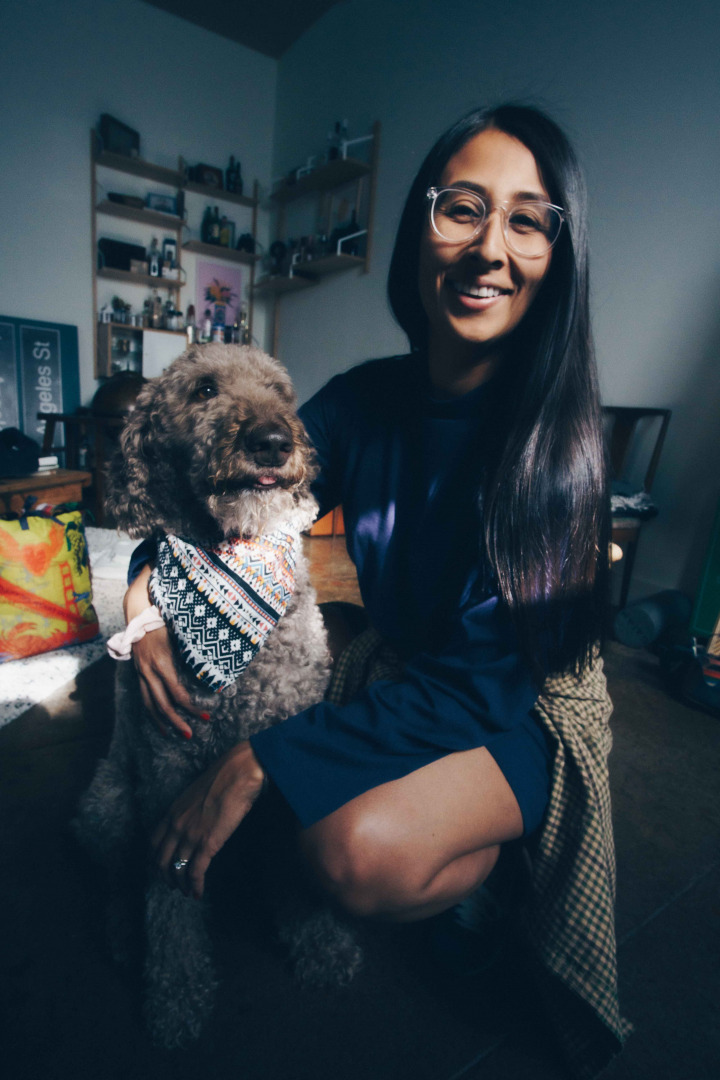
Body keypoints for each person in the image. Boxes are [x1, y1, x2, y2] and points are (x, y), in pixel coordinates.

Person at [124, 104, 628, 1075]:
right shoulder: (363, 401)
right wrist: (144, 605)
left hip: (517, 706)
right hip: (404, 667)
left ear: (557, 258)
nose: (490, 249)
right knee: (305, 793)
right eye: (463, 208)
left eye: (528, 222)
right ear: (420, 228)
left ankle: (487, 878)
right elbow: (217, 492)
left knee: (347, 855)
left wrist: (257, 761)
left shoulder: (559, 448)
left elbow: (481, 690)